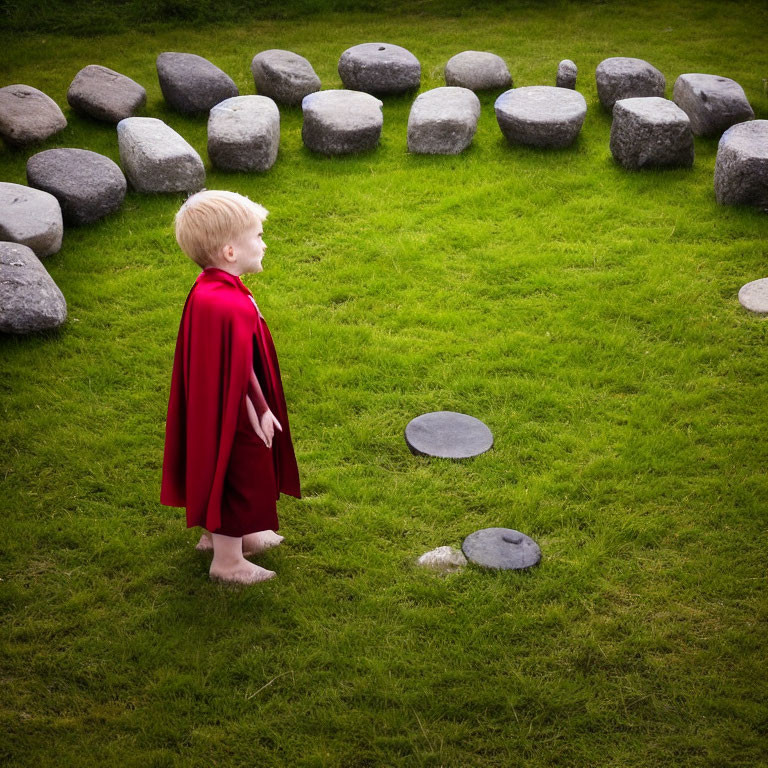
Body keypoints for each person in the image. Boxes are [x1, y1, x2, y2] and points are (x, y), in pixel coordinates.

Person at [161, 189, 301, 585]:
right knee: (234, 467)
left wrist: (260, 403)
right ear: (229, 251)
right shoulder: (225, 302)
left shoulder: (214, 289)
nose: (264, 244)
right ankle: (227, 561)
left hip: (226, 403)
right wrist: (256, 411)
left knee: (235, 464)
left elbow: (233, 362)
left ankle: (232, 535)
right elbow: (233, 369)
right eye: (257, 237)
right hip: (230, 414)